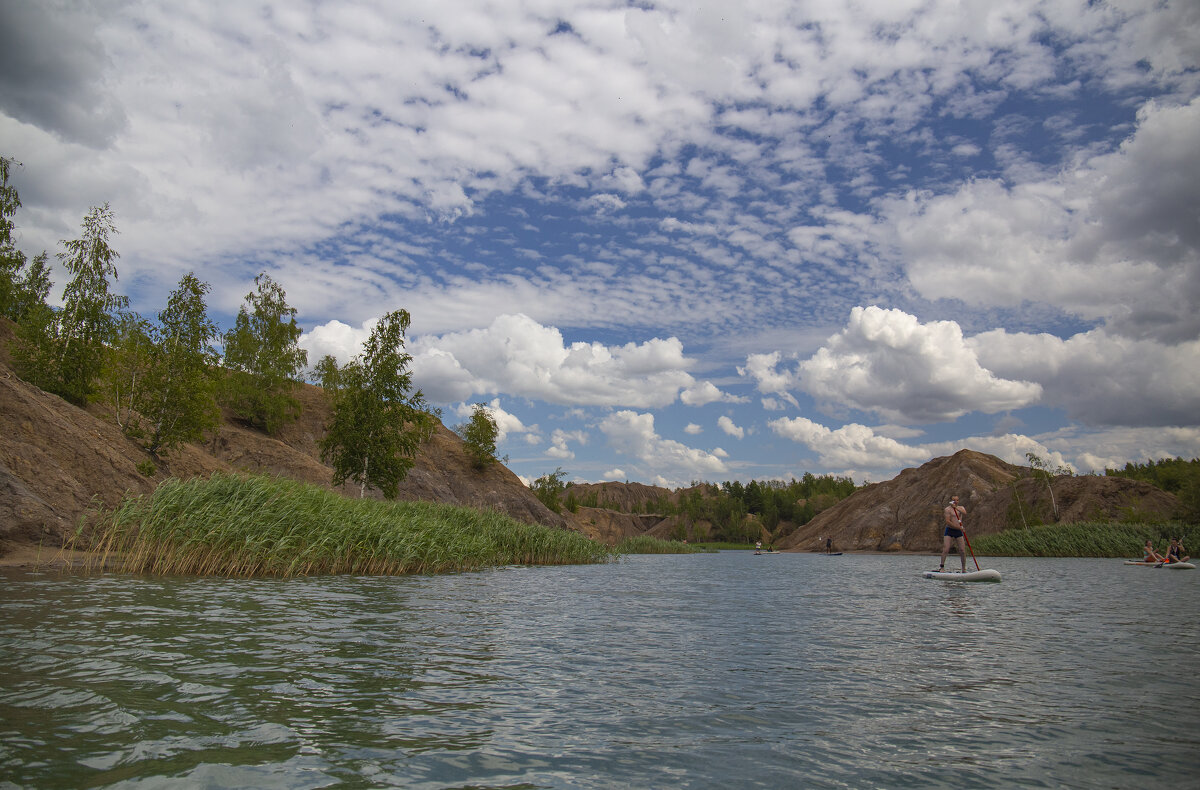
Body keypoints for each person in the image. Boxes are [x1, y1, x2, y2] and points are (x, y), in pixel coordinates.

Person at [938, 495, 968, 573]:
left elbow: (964, 513)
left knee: (962, 550)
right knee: (946, 549)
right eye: (953, 500)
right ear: (950, 501)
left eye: (957, 500)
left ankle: (963, 569)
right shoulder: (947, 509)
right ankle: (942, 567)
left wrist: (956, 507)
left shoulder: (961, 508)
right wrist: (959, 528)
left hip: (958, 531)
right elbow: (948, 521)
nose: (955, 501)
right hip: (950, 530)